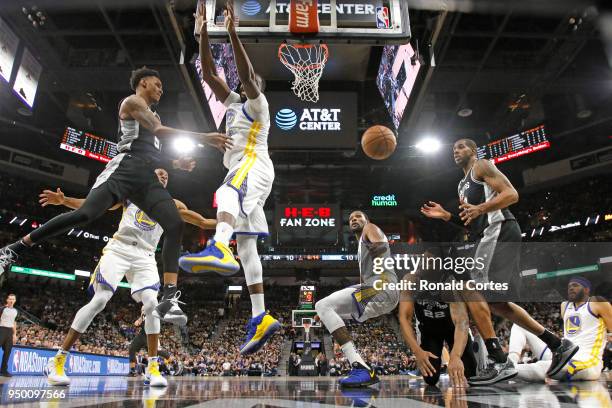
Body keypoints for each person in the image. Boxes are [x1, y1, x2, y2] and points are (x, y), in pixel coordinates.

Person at [0, 67, 230, 325]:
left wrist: (176, 164)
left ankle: (168, 297)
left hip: (146, 176)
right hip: (125, 169)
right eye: (157, 84)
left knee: (175, 223)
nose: (161, 89)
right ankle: (13, 249)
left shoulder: (152, 113)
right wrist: (204, 137)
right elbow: (159, 131)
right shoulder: (133, 102)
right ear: (143, 83)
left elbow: (152, 152)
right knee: (86, 213)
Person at [420, 138, 578, 385]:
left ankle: (499, 360)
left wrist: (481, 208)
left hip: (499, 228)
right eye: (453, 149)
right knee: (497, 302)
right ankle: (558, 344)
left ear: (473, 150)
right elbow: (472, 219)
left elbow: (511, 194)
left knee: (470, 289)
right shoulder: (462, 185)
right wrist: (448, 215)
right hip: (488, 232)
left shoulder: (481, 166)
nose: (456, 150)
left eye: (461, 147)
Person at [39, 169, 215, 387]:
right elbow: (92, 206)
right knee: (100, 300)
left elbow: (204, 222)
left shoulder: (173, 204)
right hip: (119, 250)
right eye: (158, 173)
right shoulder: (131, 193)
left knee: (152, 303)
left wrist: (231, 223)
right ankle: (58, 359)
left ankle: (152, 367)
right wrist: (64, 200)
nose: (163, 176)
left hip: (145, 256)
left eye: (166, 175)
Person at [179, 1, 279, 355]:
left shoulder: (258, 104)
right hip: (246, 167)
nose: (243, 81)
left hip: (253, 164)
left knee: (226, 191)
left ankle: (219, 246)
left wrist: (233, 33)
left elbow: (249, 77)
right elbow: (208, 74)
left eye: (250, 81)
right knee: (248, 246)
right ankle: (261, 315)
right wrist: (205, 29)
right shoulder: (234, 103)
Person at [314, 211, 399, 387]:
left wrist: (380, 248)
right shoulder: (360, 245)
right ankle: (363, 369)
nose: (354, 219)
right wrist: (326, 313)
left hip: (382, 285)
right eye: (351, 218)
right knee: (325, 309)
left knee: (322, 304)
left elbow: (381, 246)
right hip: (379, 291)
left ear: (366, 220)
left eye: (358, 217)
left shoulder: (370, 228)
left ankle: (360, 367)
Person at [508, 278, 611, 381]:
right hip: (561, 354)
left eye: (575, 285)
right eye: (569, 286)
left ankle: (505, 371)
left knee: (545, 367)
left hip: (586, 360)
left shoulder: (597, 301)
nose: (571, 288)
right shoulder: (565, 306)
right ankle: (510, 362)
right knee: (520, 325)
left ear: (586, 290)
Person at [399, 268, 477, 387]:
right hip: (429, 331)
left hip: (452, 328)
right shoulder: (410, 281)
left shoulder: (450, 281)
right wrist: (417, 352)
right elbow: (404, 318)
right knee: (430, 378)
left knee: (469, 373)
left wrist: (455, 356)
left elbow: (461, 321)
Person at [128, 308, 172, 377]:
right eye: (141, 309)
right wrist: (138, 321)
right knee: (131, 349)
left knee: (156, 352)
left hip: (150, 335)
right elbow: (137, 322)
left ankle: (171, 360)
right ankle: (132, 371)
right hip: (142, 335)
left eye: (143, 309)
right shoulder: (143, 315)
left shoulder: (153, 313)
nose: (142, 310)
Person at [0, 294, 18, 377]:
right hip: (1, 329)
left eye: (13, 299)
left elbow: (14, 323)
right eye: (10, 299)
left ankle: (4, 370)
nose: (11, 300)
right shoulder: (2, 309)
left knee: (7, 351)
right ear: (7, 300)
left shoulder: (16, 311)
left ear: (15, 301)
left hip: (9, 331)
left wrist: (14, 334)